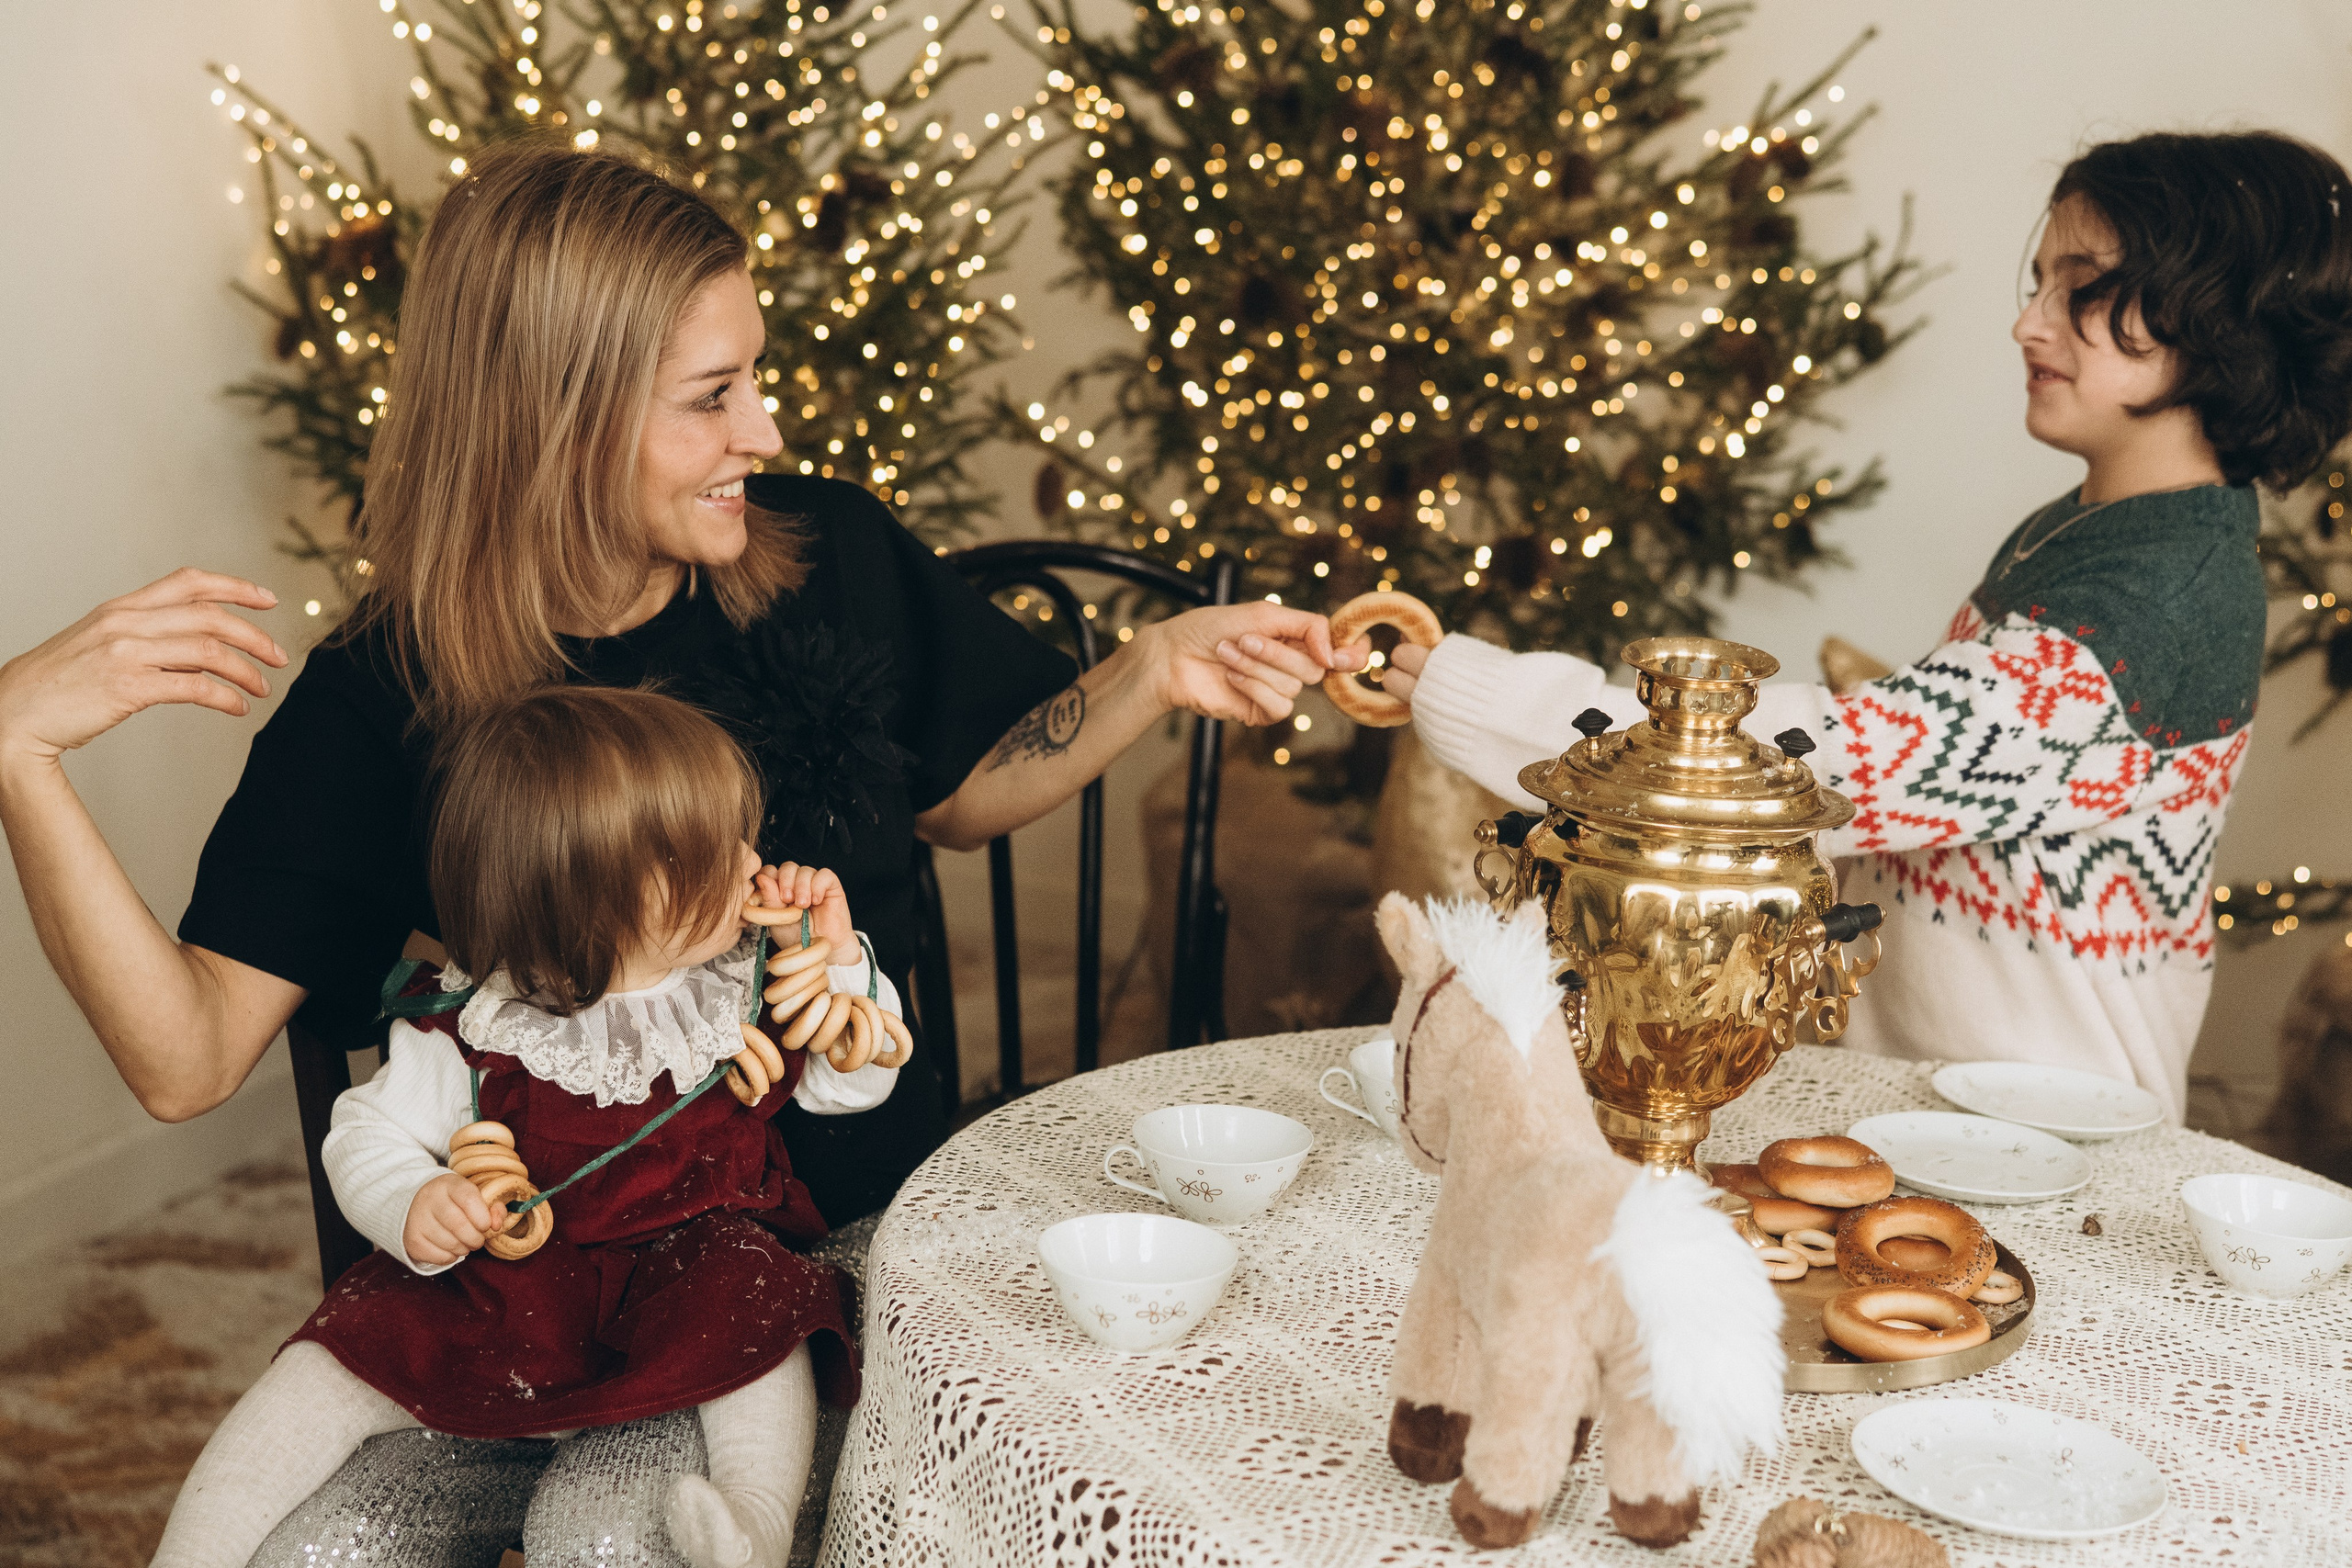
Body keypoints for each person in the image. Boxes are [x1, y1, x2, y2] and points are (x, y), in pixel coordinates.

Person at [0, 141, 1344, 1563]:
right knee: (305, 1551)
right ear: (553, 415)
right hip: (515, 1286)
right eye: (712, 397)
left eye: (752, 377)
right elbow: (185, 1057)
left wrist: (1148, 670)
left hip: (811, 1254)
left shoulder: (827, 553)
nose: (762, 429)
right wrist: (19, 757)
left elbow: (959, 795)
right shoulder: (382, 695)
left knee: (621, 1539)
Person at [1351, 131, 2352, 1123]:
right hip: (1941, 1111)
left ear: (2215, 320)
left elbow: (1812, 774)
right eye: (2038, 283)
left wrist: (1463, 688)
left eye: (2079, 288)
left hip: (2045, 1137)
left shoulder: (2153, 606)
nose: (2027, 324)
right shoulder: (2093, 533)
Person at [156, 686, 900, 1568]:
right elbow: (362, 1133)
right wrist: (413, 1198)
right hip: (513, 1300)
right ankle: (195, 1549)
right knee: (321, 1366)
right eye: (711, 852)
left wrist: (839, 962)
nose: (751, 863)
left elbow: (854, 1086)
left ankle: (752, 1524)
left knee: (763, 1328)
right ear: (592, 899)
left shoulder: (748, 980)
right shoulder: (476, 1024)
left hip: (692, 1276)